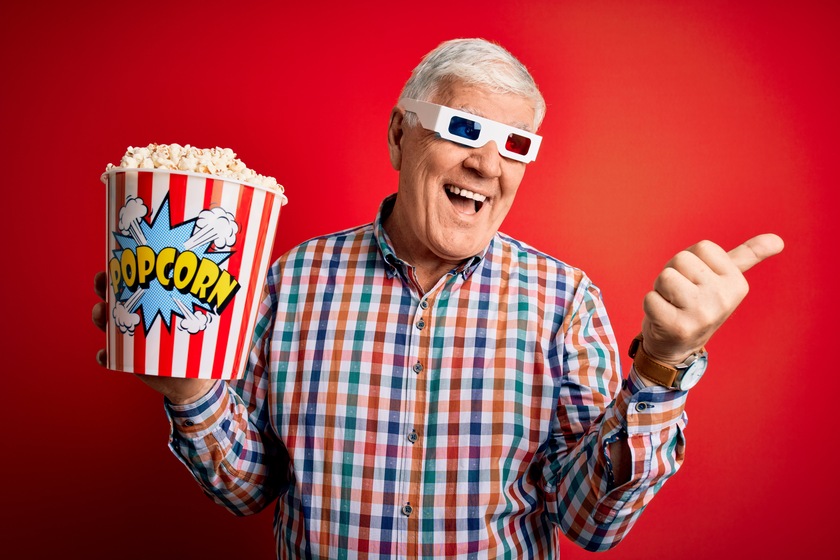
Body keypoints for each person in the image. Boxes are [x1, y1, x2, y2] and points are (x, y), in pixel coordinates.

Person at [92, 38, 783, 557]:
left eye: (515, 145)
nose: (488, 164)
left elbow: (592, 522)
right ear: (400, 133)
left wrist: (664, 364)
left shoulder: (564, 301)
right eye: (462, 130)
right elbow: (249, 489)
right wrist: (190, 388)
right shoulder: (291, 281)